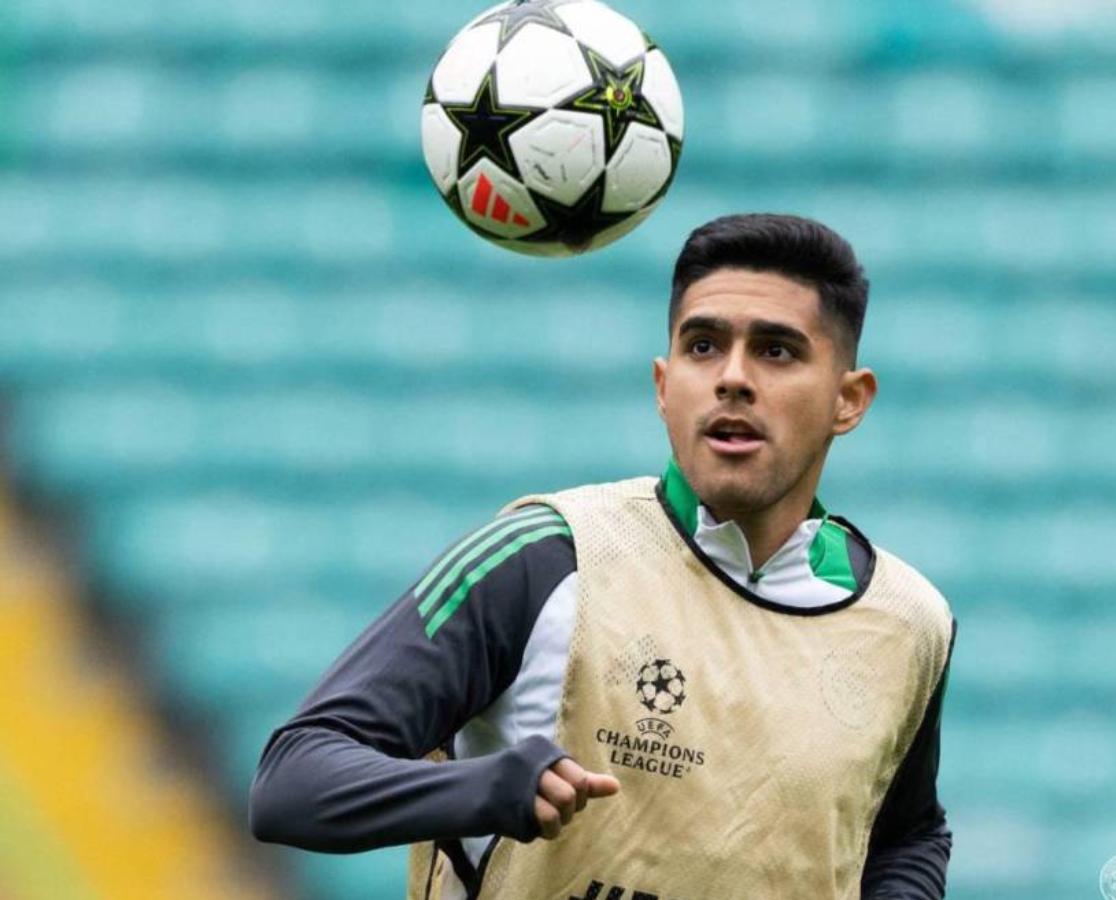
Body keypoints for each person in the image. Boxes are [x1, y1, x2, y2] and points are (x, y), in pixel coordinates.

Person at [249, 214, 957, 900]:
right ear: (662, 384)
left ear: (849, 400)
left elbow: (907, 833)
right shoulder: (545, 559)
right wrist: (483, 791)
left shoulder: (908, 622)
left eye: (777, 350)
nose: (733, 378)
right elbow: (293, 780)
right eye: (703, 346)